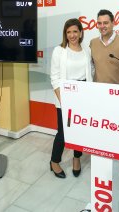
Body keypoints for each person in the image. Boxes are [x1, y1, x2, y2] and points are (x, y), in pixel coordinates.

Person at [89, 9, 119, 175]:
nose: (102, 26)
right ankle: (104, 159)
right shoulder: (92, 43)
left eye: (106, 23)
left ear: (113, 23)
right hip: (98, 97)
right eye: (99, 23)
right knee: (102, 131)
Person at [50, 18, 94, 178]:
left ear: (81, 32)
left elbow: (91, 72)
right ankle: (54, 161)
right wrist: (63, 99)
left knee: (79, 131)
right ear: (65, 34)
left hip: (83, 95)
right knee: (63, 132)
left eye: (75, 31)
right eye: (68, 32)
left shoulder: (87, 51)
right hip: (65, 95)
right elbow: (54, 77)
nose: (72, 35)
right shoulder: (59, 51)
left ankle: (77, 158)